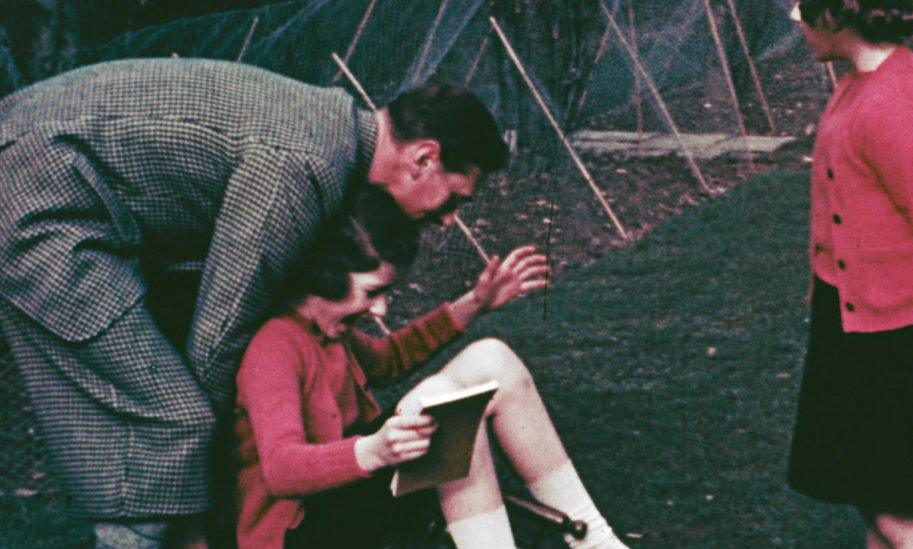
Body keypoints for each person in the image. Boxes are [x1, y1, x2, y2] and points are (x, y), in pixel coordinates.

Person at [0, 56, 507, 547]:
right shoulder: (303, 167)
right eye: (456, 199)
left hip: (57, 177)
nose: (447, 219)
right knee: (180, 418)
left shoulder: (326, 133)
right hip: (38, 194)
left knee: (171, 413)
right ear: (424, 158)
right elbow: (223, 330)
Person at [233, 190, 627, 549]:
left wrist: (475, 302)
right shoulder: (276, 345)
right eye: (372, 292)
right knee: (445, 407)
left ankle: (597, 542)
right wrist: (374, 449)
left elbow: (388, 361)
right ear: (324, 276)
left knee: (491, 358)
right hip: (303, 532)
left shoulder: (332, 332)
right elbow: (280, 469)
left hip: (352, 497)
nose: (381, 309)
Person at [785, 1, 913, 546]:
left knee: (901, 515)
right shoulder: (865, 80)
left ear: (836, 17)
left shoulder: (894, 105)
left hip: (900, 344)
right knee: (875, 501)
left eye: (803, 7)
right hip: (854, 327)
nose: (794, 17)